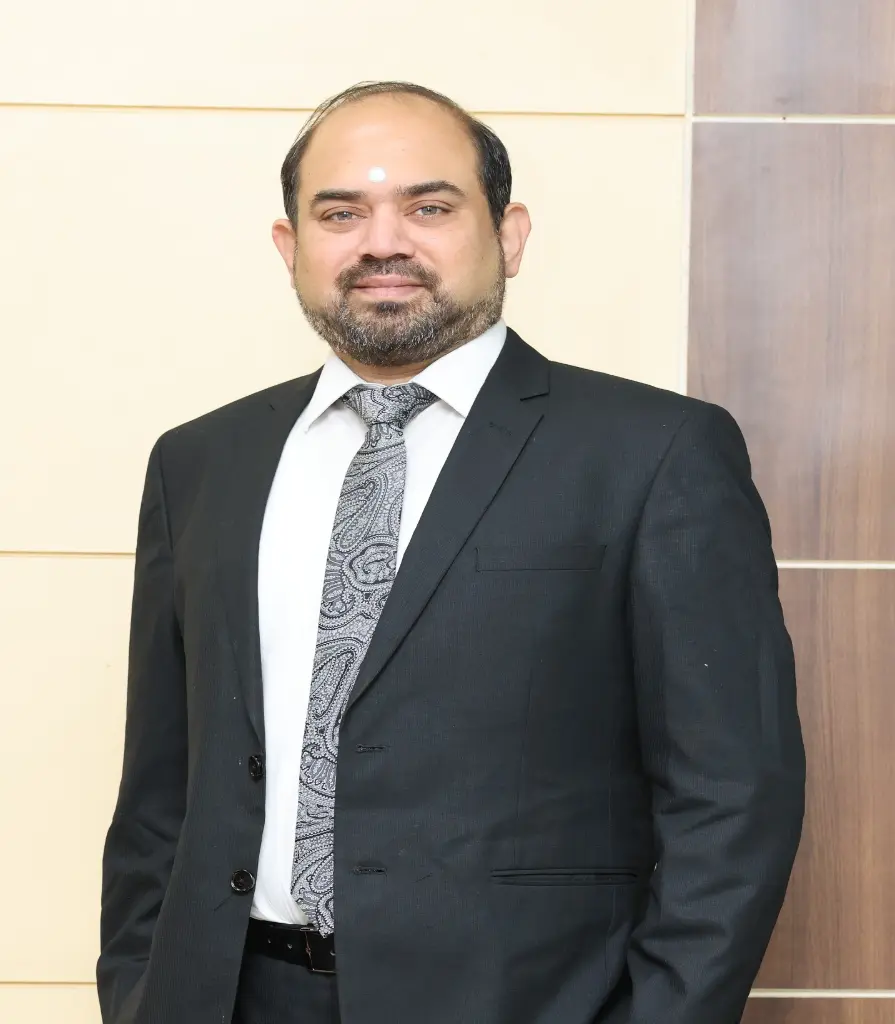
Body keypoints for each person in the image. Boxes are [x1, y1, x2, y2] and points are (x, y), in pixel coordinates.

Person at [97, 80, 806, 1024]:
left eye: (429, 207)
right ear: (289, 246)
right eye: (340, 213)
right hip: (226, 995)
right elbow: (158, 786)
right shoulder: (200, 462)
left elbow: (732, 796)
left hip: (522, 1000)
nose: (381, 242)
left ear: (508, 235)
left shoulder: (654, 453)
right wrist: (139, 989)